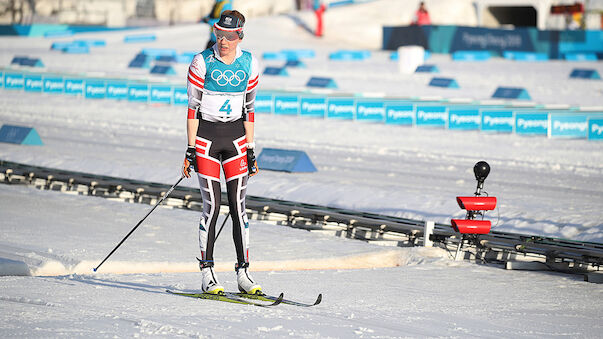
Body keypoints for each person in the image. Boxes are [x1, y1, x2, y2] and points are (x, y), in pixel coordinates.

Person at [183, 10, 260, 295]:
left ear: (239, 35)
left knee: (239, 208)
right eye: (218, 35)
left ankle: (243, 273)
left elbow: (249, 109)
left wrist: (251, 149)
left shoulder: (250, 63)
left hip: (237, 140)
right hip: (206, 139)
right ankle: (208, 272)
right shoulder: (202, 61)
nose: (223, 41)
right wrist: (190, 149)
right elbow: (192, 109)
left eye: (228, 36)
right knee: (212, 206)